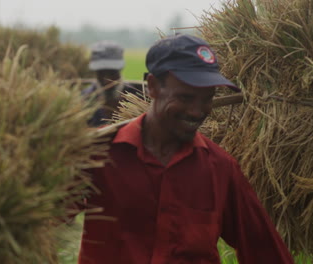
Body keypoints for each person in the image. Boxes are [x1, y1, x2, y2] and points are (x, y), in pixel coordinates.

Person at [77, 34, 294, 263]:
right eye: (185, 97)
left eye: (206, 98)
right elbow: (45, 215)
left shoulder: (220, 169)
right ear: (152, 87)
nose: (197, 111)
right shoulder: (100, 155)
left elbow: (265, 250)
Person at [82, 40, 143, 127]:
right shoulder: (84, 99)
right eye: (101, 73)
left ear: (120, 69)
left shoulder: (138, 97)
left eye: (112, 73)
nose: (107, 81)